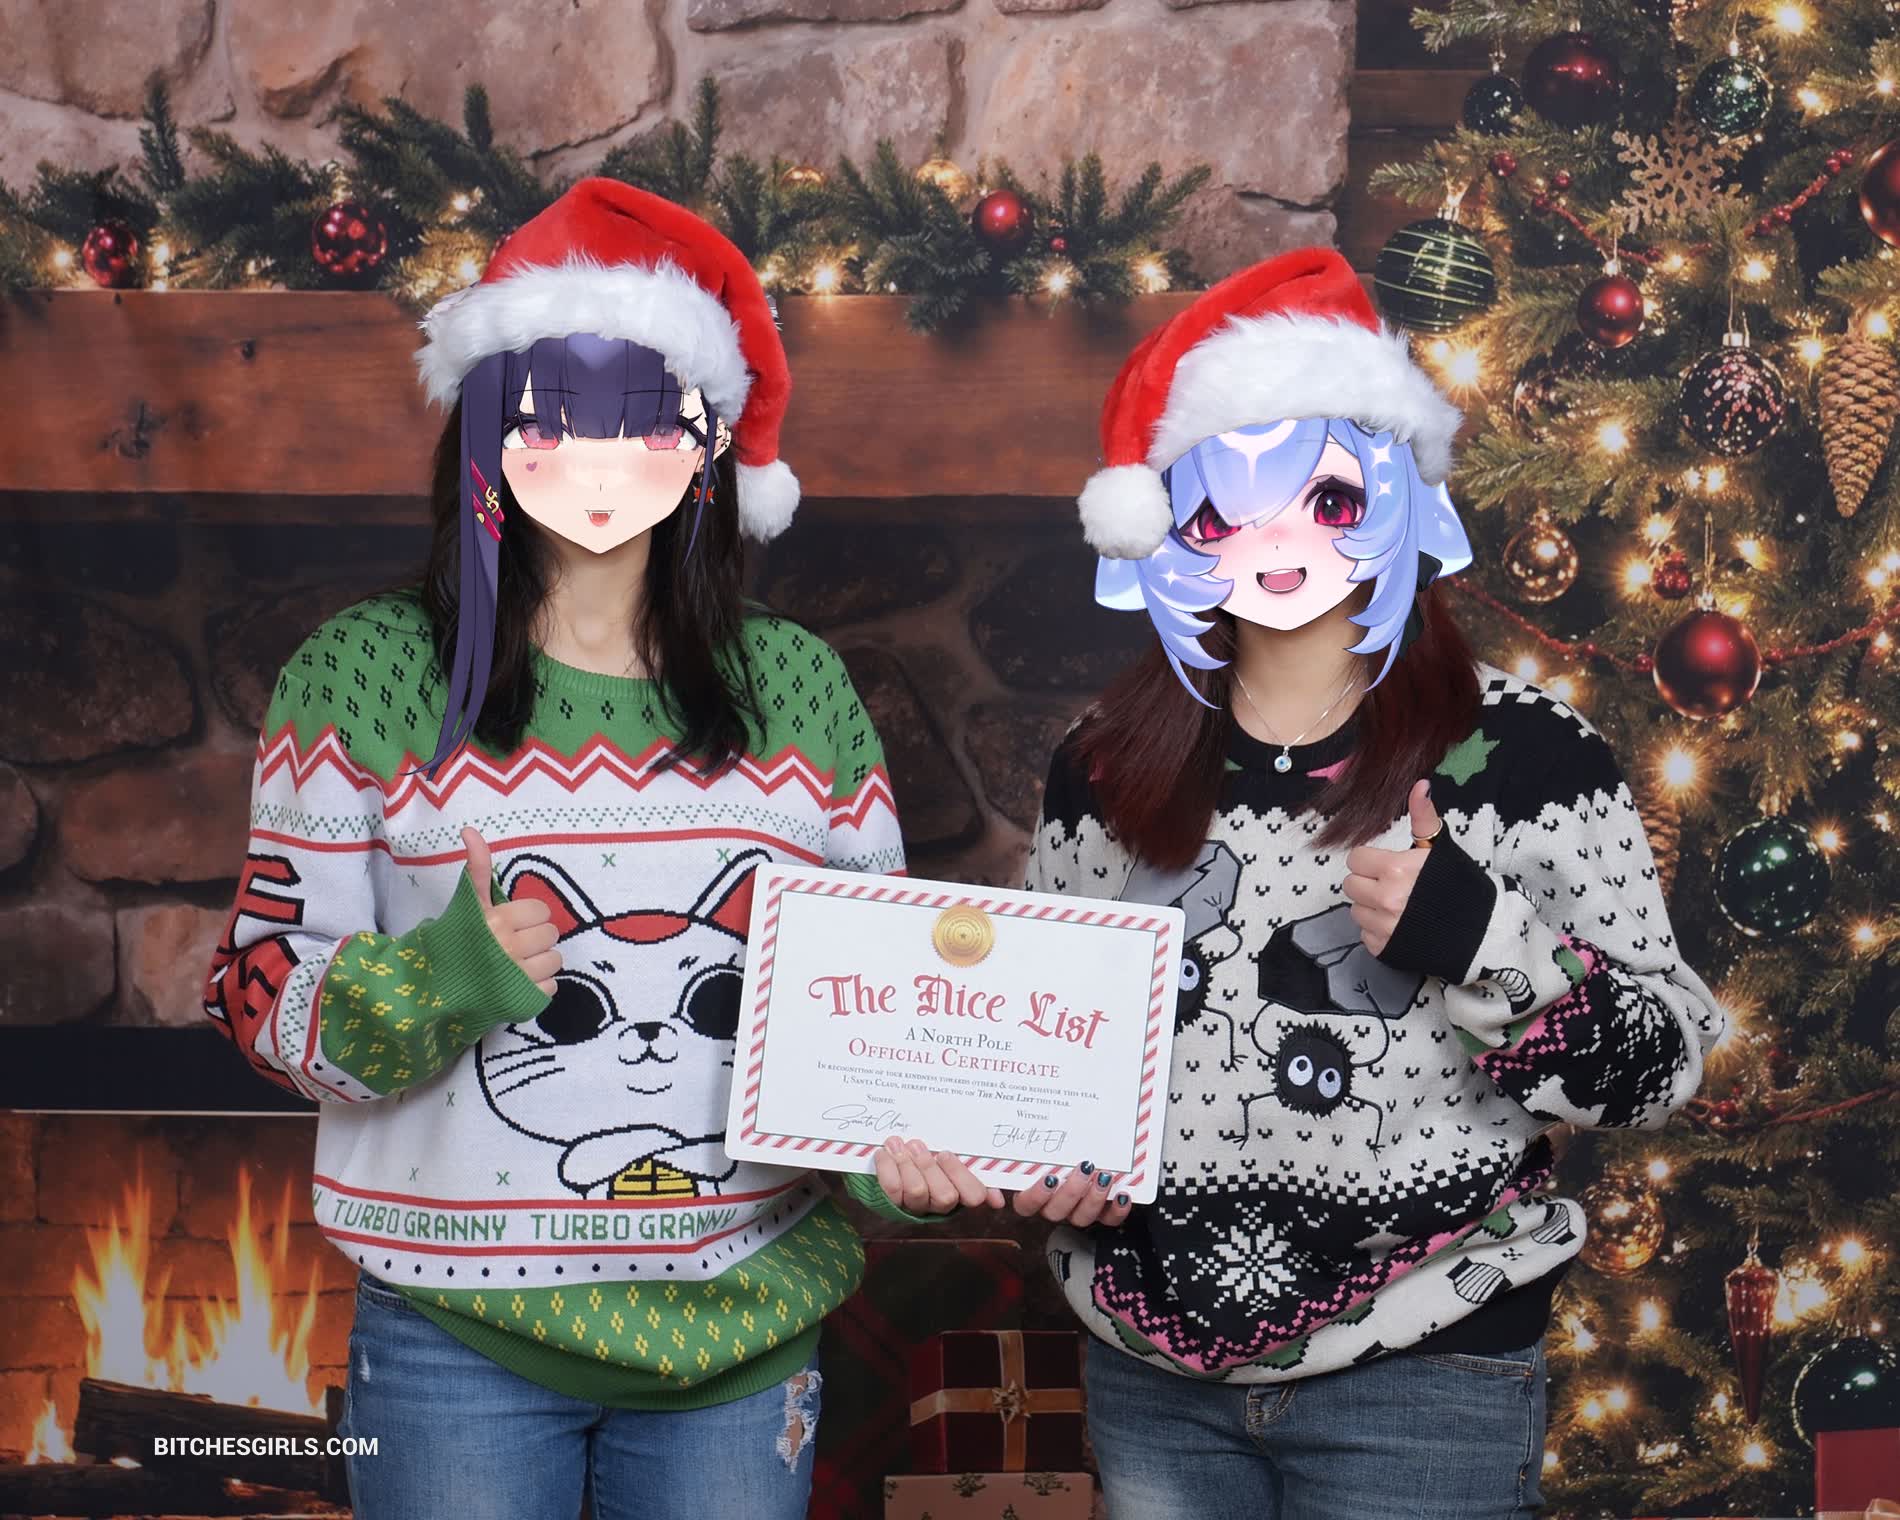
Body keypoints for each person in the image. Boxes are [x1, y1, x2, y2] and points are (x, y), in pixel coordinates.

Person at [200, 178, 993, 1520]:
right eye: (553, 417)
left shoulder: (799, 689)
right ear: (485, 428)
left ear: (708, 442)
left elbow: (875, 1012)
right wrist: (441, 976)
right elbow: (257, 996)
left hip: (739, 1342)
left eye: (646, 420)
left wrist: (897, 1152)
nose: (602, 457)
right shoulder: (361, 677)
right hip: (457, 1343)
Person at [1009, 248, 1725, 1519]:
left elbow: (1660, 1066)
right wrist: (1044, 1150)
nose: (1279, 542)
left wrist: (1483, 939)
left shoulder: (1529, 756)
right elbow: (1045, 1040)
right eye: (1222, 514)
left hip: (1424, 1370)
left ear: (1399, 500)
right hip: (1150, 1371)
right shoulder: (1101, 761)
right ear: (1166, 532)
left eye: (1328, 499)